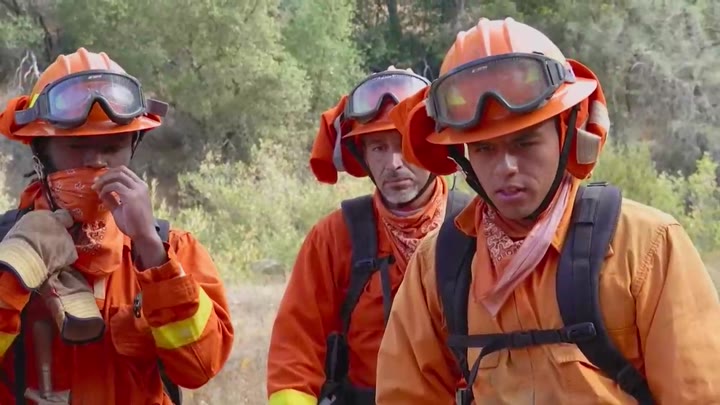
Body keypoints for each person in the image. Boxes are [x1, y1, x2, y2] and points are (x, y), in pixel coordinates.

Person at [374, 17, 720, 404]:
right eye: (484, 149)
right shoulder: (439, 265)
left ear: (566, 133)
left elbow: (698, 394)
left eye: (525, 142)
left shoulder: (644, 247)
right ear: (463, 157)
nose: (505, 167)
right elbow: (405, 395)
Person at [0, 47, 234, 404]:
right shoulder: (5, 247)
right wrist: (15, 270)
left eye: (112, 146)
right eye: (76, 147)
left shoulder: (172, 249)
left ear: (132, 147)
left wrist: (152, 253)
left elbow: (200, 367)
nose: (96, 161)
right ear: (41, 152)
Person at [265, 67, 471, 405]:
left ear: (430, 145)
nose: (393, 163)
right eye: (378, 147)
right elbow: (296, 351)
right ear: (361, 155)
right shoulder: (335, 237)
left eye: (404, 144)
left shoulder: (473, 227)